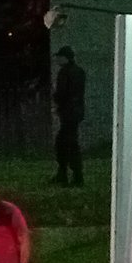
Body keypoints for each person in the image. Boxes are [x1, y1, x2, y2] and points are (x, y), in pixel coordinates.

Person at [53, 46, 86, 186]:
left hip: (68, 112)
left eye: (59, 57)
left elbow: (62, 93)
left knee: (66, 143)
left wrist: (57, 100)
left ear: (65, 58)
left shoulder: (65, 72)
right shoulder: (79, 71)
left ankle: (73, 176)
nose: (57, 59)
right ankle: (69, 174)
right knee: (68, 142)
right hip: (76, 112)